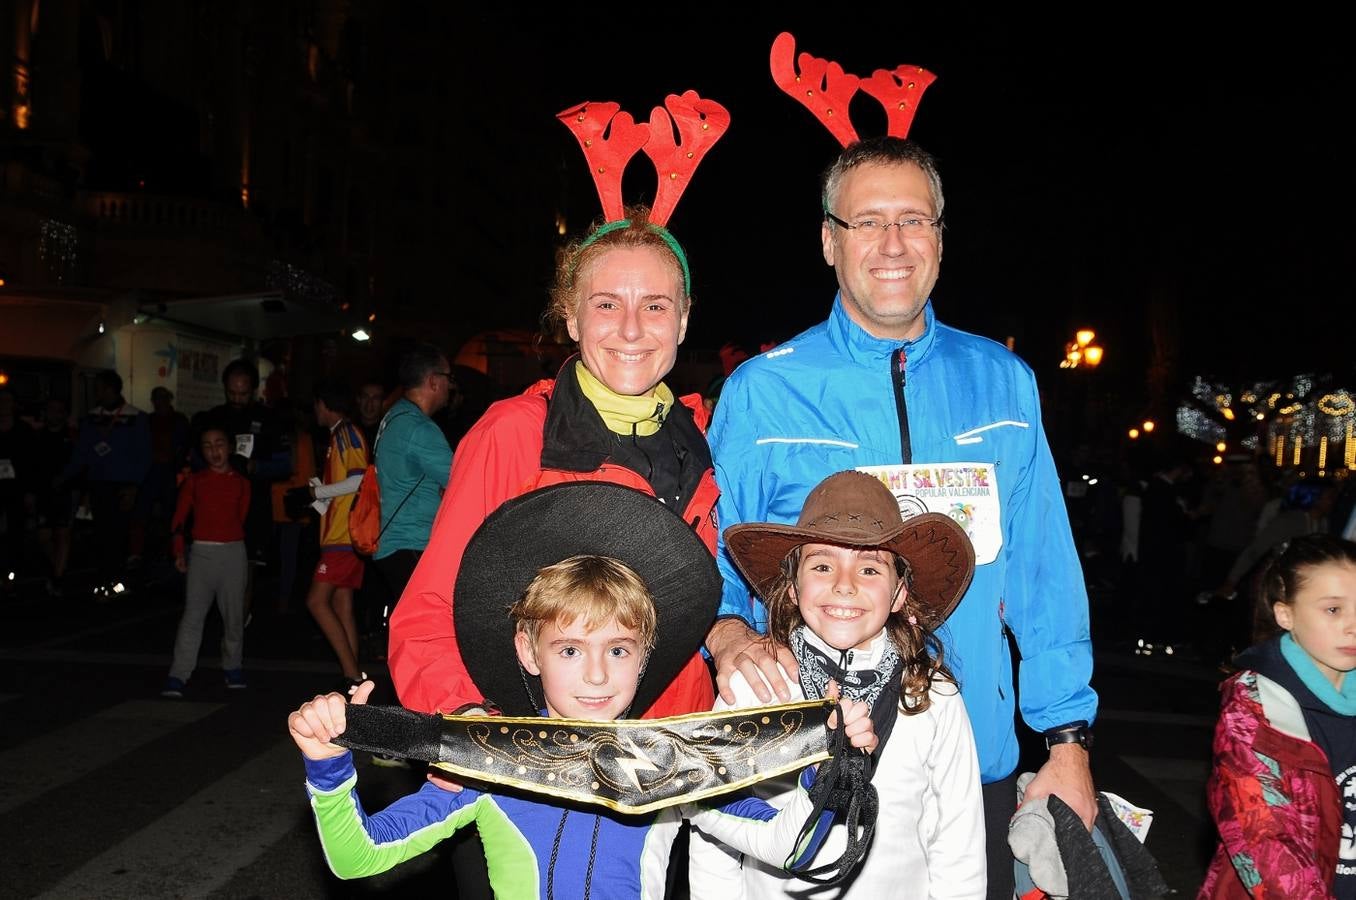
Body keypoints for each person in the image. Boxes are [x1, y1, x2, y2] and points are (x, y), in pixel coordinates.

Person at [706, 136, 1097, 897]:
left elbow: (1045, 573)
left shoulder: (1004, 383)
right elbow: (717, 563)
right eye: (867, 222)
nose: (892, 245)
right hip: (801, 760)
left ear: (941, 239)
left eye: (914, 220)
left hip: (972, 761)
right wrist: (727, 635)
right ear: (828, 240)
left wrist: (1069, 742)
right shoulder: (760, 393)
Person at [288, 481, 876, 897]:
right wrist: (329, 770)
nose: (596, 675)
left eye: (617, 650)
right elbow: (357, 858)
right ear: (528, 650)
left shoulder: (673, 765)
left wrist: (826, 769)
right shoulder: (489, 760)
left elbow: (794, 849)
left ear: (644, 658)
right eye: (569, 650)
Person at [388, 208, 719, 720]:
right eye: (606, 304)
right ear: (571, 316)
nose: (631, 330)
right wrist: (468, 724)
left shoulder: (704, 436)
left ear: (683, 318)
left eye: (655, 305)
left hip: (681, 745)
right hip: (555, 754)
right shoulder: (517, 432)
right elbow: (432, 607)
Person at [690, 469, 985, 898]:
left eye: (869, 568)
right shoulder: (756, 685)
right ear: (791, 587)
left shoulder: (932, 696)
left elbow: (959, 840)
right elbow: (713, 836)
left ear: (899, 593)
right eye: (823, 565)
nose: (844, 586)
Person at [1199, 533, 1356, 898]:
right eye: (1333, 609)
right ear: (1286, 614)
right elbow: (1265, 839)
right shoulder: (1254, 710)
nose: (1353, 625)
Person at [161, 424, 251, 697]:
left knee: (234, 616)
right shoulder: (195, 482)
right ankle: (178, 674)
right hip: (201, 553)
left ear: (230, 446)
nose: (215, 451)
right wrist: (179, 550)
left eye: (219, 443)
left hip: (234, 553)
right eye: (208, 446)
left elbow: (242, 517)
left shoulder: (242, 483)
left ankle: (232, 667)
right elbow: (179, 518)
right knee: (192, 616)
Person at [371, 343, 453, 623]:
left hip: (393, 542)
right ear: (433, 381)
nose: (449, 387)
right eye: (448, 378)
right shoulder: (419, 429)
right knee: (429, 628)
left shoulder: (394, 417)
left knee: (414, 628)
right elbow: (460, 481)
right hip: (411, 543)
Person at [296, 381, 371, 690]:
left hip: (343, 537)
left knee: (316, 601)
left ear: (325, 404)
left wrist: (319, 490)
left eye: (317, 405)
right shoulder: (338, 436)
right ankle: (355, 681)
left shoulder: (346, 434)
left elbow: (357, 481)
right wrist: (316, 496)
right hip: (341, 536)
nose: (315, 411)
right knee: (342, 606)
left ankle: (352, 675)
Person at [191, 359, 292, 570]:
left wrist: (257, 467)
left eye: (243, 393)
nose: (237, 398)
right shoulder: (212, 418)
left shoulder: (270, 419)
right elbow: (195, 459)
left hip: (253, 508)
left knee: (245, 568)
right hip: (215, 506)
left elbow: (285, 465)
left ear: (254, 390)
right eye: (231, 393)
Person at [62, 370, 151, 599]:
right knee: (101, 534)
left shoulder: (136, 417)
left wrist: (134, 486)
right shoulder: (91, 418)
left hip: (124, 486)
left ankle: (118, 583)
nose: (97, 393)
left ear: (111, 389)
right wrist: (65, 477)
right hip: (98, 484)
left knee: (119, 534)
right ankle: (103, 581)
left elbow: (143, 455)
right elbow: (82, 453)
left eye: (100, 388)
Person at [128, 386, 190, 569]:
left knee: (170, 514)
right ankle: (137, 553)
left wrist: (178, 465)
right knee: (141, 513)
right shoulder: (149, 420)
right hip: (150, 470)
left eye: (162, 398)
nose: (159, 402)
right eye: (156, 399)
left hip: (170, 472)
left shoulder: (178, 420)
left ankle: (170, 552)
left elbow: (184, 446)